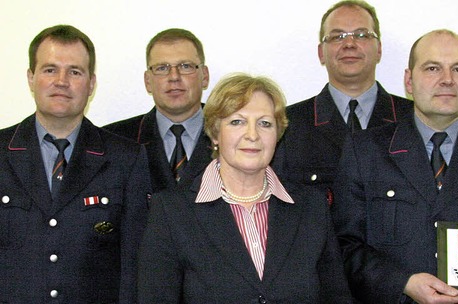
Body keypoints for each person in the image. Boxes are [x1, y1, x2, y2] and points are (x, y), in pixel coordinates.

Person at [331, 29, 458, 303]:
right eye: (432, 68)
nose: (447, 80)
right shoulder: (365, 150)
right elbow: (344, 247)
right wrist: (403, 283)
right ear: (409, 80)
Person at [137, 73, 353, 303]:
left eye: (265, 123)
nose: (252, 135)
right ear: (215, 132)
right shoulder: (171, 211)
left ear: (277, 135)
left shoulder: (312, 207)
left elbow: (336, 297)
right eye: (237, 121)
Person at [0, 25, 151, 303]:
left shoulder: (125, 159)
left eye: (75, 71)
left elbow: (134, 267)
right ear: (31, 78)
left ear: (91, 83)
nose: (61, 81)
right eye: (49, 70)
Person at [271, 0, 413, 202]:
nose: (349, 44)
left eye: (362, 35)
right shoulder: (288, 125)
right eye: (337, 36)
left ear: (379, 49)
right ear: (321, 52)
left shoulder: (412, 119)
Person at [104, 28, 212, 193]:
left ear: (204, 76)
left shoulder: (234, 135)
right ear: (148, 81)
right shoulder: (113, 140)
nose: (174, 76)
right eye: (162, 68)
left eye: (185, 66)